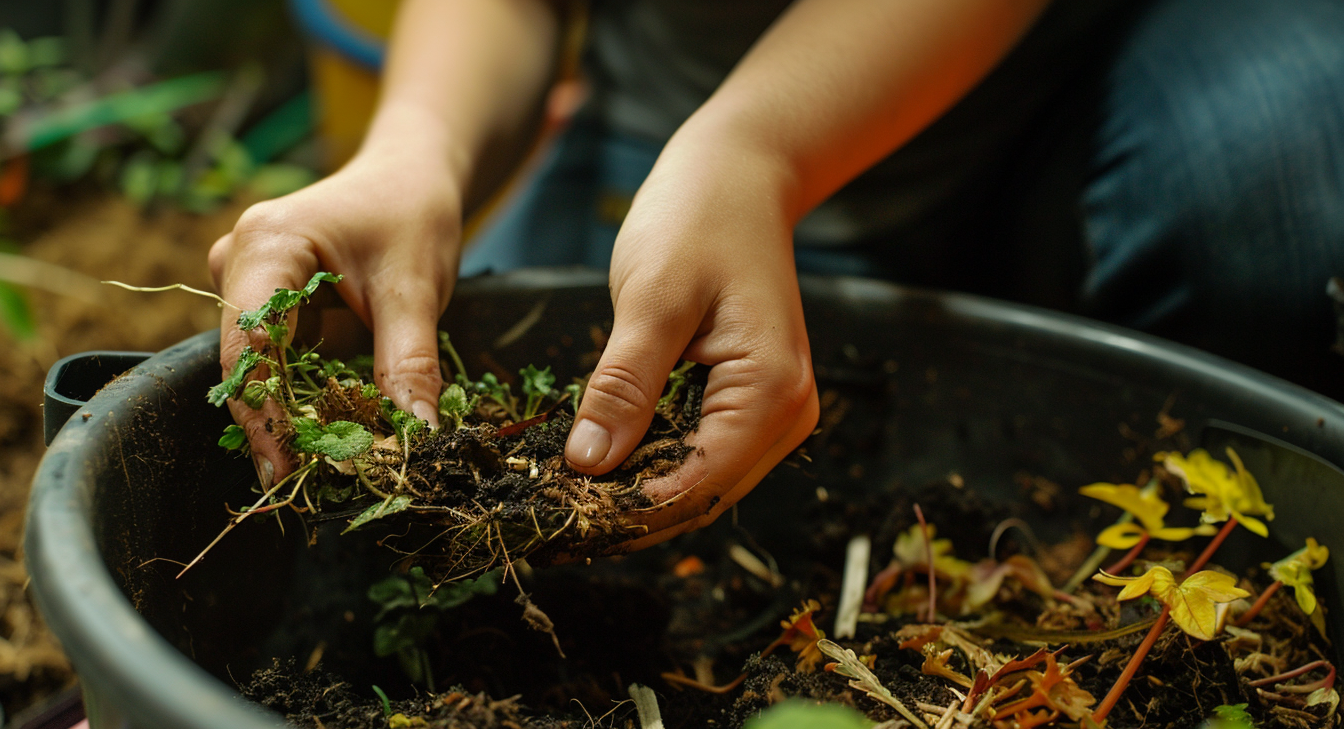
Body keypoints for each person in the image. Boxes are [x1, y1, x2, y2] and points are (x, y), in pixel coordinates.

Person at [210, 0, 1344, 550]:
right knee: (495, 487)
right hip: (678, 101)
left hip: (1092, 70)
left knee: (1277, 186)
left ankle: (1077, 311)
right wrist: (418, 148)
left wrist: (765, 150)